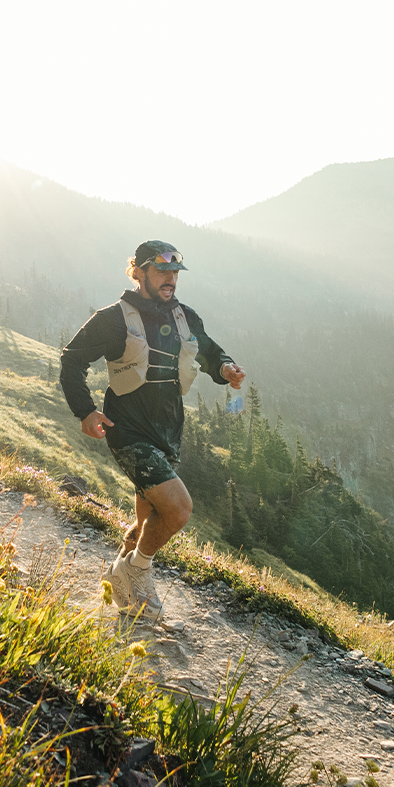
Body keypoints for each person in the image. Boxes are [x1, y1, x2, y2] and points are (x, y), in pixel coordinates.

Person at [59, 240, 245, 619]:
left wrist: (225, 369)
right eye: (162, 271)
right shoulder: (113, 318)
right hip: (126, 431)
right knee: (178, 510)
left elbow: (209, 351)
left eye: (175, 273)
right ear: (139, 272)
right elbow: (72, 359)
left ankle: (118, 581)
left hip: (168, 431)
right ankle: (137, 572)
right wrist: (85, 410)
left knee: (148, 520)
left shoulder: (184, 316)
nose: (171, 279)